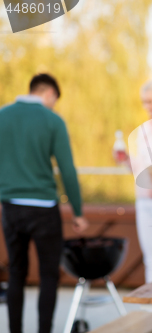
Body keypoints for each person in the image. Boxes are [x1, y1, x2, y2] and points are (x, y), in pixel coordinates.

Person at [0, 73, 88, 333]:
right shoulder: (52, 121)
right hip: (43, 209)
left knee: (16, 273)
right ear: (49, 93)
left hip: (11, 207)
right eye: (55, 101)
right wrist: (79, 212)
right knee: (49, 275)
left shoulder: (3, 115)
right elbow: (67, 170)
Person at [116, 81, 152, 283]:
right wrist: (125, 161)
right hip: (143, 199)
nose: (147, 107)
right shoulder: (143, 130)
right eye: (144, 102)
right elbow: (141, 166)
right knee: (151, 258)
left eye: (151, 101)